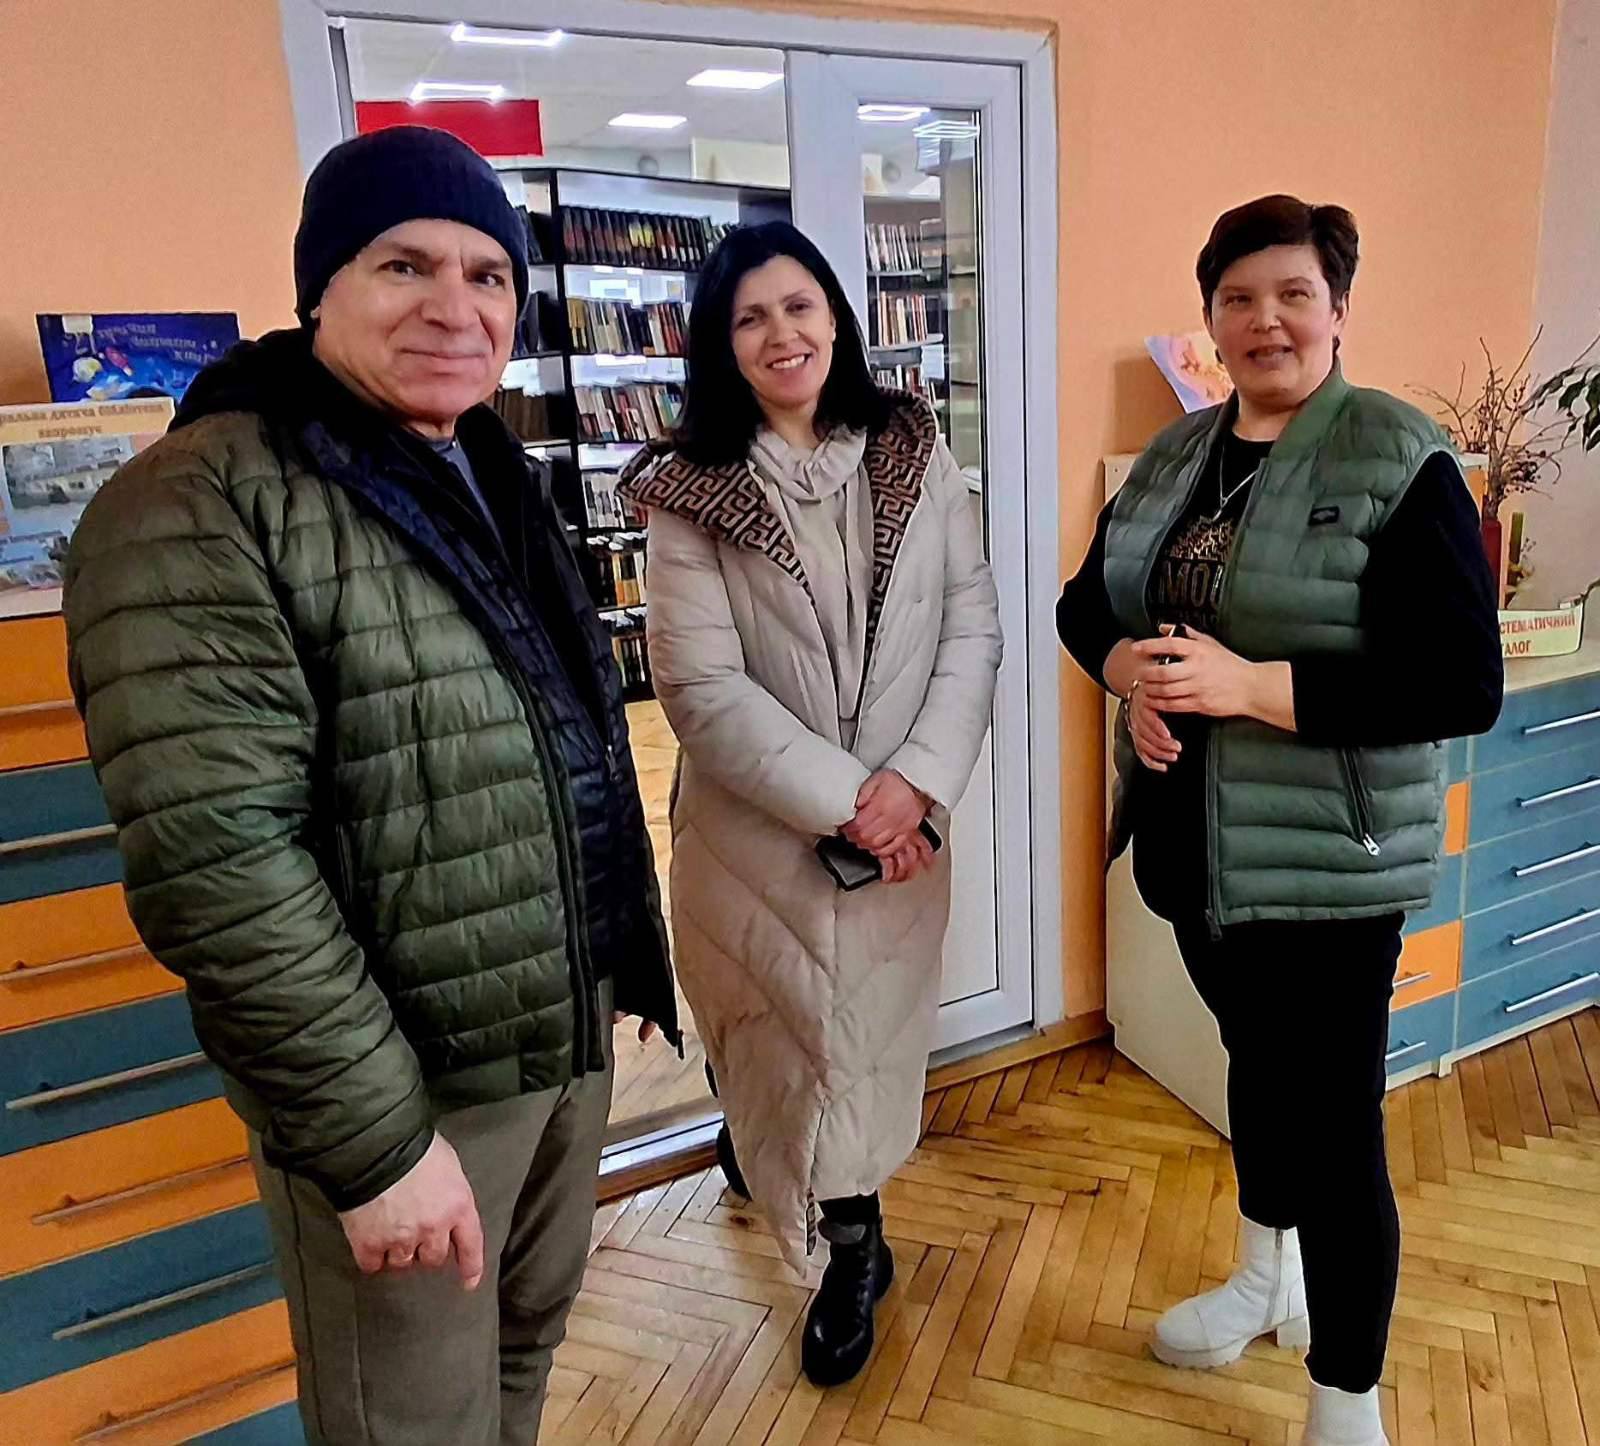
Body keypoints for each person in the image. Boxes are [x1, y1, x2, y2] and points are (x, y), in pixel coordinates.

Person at [63, 126, 679, 1446]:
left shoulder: (489, 469)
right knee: (408, 1422)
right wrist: (374, 1148)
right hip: (408, 1091)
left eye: (487, 275)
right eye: (405, 265)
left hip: (554, 1043)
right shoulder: (198, 501)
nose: (455, 307)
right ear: (320, 288)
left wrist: (619, 955)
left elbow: (563, 736)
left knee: (519, 1359)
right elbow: (222, 865)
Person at [1058, 194, 1502, 1446]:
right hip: (1193, 854)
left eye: (1293, 294)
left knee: (1336, 1130)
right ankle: (1267, 1277)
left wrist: (1248, 689)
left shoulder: (1395, 455)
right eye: (1238, 298)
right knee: (1254, 1075)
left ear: (1337, 310)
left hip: (1326, 871)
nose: (1266, 320)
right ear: (1209, 318)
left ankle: (1347, 1397)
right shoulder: (1174, 457)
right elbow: (1086, 606)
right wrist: (1132, 675)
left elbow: (1458, 681)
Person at [618, 221, 1002, 1388]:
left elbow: (971, 627)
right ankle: (787, 1176)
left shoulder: (911, 449)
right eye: (749, 318)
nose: (780, 334)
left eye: (797, 306)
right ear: (719, 345)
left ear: (834, 314)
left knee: (862, 1046)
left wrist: (915, 785)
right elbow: (700, 689)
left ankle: (854, 1243)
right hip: (759, 838)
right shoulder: (691, 489)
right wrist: (850, 800)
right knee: (773, 1031)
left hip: (902, 834)